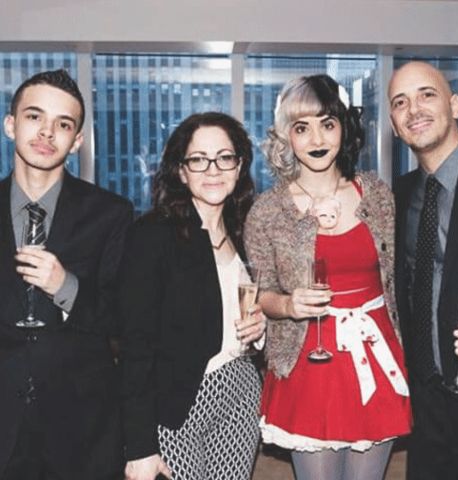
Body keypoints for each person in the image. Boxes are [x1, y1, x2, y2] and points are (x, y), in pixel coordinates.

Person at [244, 74, 411, 480]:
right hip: (309, 362)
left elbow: (402, 277)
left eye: (327, 123)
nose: (317, 138)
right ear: (287, 137)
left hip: (376, 353)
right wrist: (288, 304)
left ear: (343, 129)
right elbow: (259, 293)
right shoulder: (267, 211)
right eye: (302, 127)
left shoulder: (377, 194)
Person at [0, 69, 133, 479]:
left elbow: (124, 318)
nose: (46, 133)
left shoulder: (111, 213)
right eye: (34, 117)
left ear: (76, 141)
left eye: (63, 124)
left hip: (82, 428)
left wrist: (66, 287)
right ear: (10, 125)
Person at [118, 112, 265, 480]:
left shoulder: (244, 227)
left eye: (224, 157)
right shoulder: (152, 235)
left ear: (239, 165)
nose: (212, 169)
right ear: (181, 171)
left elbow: (239, 308)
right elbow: (135, 345)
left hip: (240, 389)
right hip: (177, 401)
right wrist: (139, 447)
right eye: (198, 159)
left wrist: (260, 326)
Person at [389, 60, 458, 480]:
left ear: (455, 105)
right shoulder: (400, 196)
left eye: (427, 94)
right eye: (400, 102)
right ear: (394, 123)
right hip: (427, 412)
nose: (414, 109)